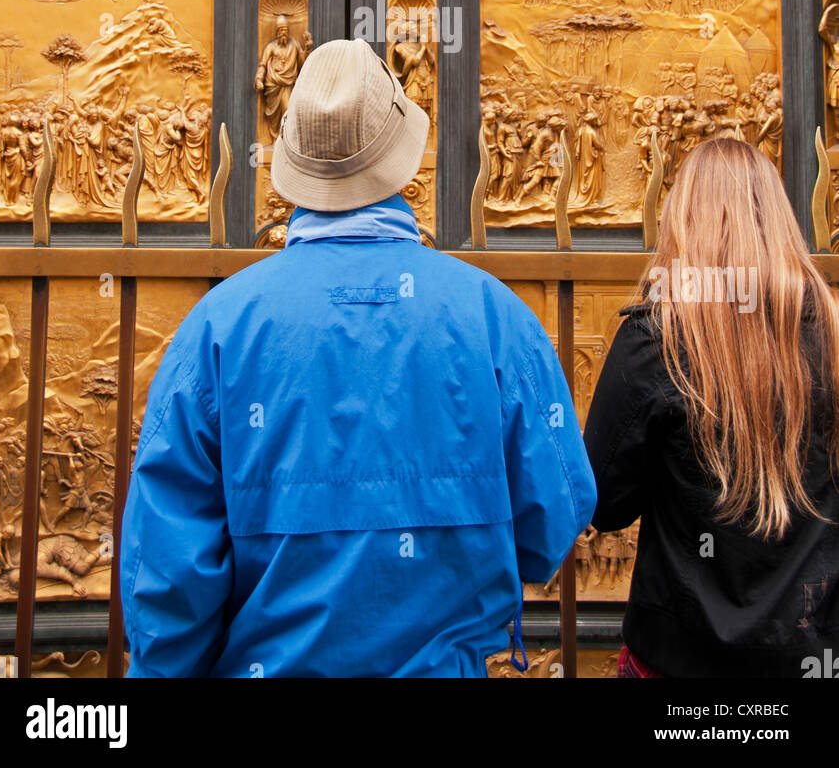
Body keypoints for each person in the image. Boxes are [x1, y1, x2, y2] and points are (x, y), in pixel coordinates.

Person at [121, 39, 595, 677]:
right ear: (402, 163)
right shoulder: (493, 317)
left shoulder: (217, 329)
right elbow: (552, 522)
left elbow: (168, 580)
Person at [584, 138, 839, 679]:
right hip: (812, 652)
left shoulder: (656, 341)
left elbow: (603, 503)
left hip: (680, 657)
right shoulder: (833, 337)